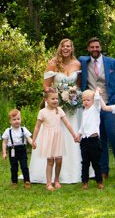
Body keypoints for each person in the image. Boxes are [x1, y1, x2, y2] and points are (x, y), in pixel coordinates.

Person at [31, 39, 83, 184]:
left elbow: (78, 86)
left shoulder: (77, 64)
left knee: (70, 135)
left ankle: (72, 171)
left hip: (72, 108)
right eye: (63, 46)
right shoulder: (53, 63)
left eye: (68, 46)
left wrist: (72, 95)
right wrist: (58, 96)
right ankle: (48, 174)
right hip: (55, 108)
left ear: (72, 48)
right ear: (60, 48)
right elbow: (46, 87)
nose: (65, 48)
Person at [79, 37, 115, 181]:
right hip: (92, 108)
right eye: (92, 47)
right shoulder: (83, 62)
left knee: (114, 137)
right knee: (99, 141)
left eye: (97, 47)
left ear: (101, 47)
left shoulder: (112, 62)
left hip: (109, 105)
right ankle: (103, 170)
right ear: (88, 49)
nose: (94, 49)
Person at [33, 88, 79, 191]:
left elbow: (67, 123)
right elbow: (37, 127)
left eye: (56, 99)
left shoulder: (59, 110)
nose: (55, 101)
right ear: (46, 100)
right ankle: (48, 183)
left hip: (58, 137)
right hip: (48, 138)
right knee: (50, 160)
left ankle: (56, 180)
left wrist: (74, 135)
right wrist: (33, 140)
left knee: (59, 160)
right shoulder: (42, 112)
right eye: (52, 99)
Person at [77, 89, 103, 189]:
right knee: (85, 163)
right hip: (85, 140)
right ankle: (84, 182)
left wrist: (96, 92)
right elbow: (82, 126)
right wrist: (78, 134)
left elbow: (97, 99)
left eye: (88, 100)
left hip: (94, 140)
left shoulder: (96, 109)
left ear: (92, 100)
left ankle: (99, 181)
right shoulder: (84, 112)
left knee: (96, 163)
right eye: (83, 100)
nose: (85, 102)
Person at [2, 108, 32, 188]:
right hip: (13, 151)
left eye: (18, 119)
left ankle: (27, 181)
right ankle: (14, 181)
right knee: (14, 167)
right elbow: (4, 142)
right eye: (14, 119)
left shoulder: (23, 129)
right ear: (10, 121)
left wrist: (33, 143)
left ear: (21, 119)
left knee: (24, 166)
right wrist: (4, 153)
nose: (16, 121)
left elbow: (29, 138)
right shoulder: (8, 131)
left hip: (22, 150)